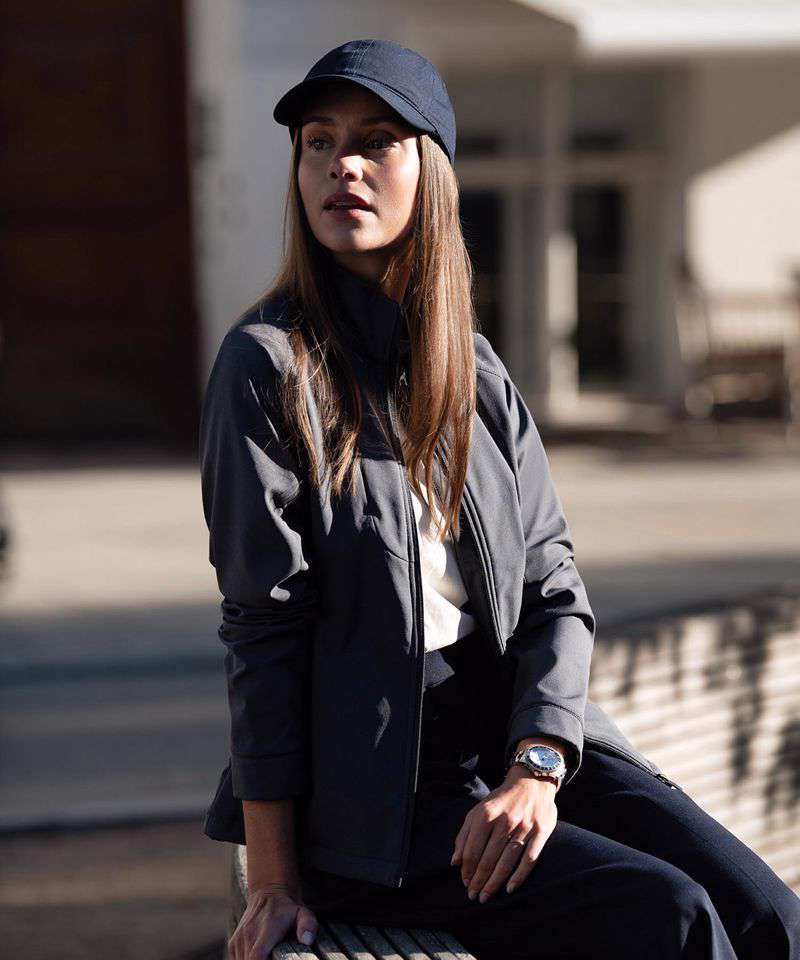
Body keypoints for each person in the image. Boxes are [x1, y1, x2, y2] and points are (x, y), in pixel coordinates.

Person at [198, 39, 800, 960]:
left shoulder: (472, 370)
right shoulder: (265, 367)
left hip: (512, 742)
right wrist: (273, 881)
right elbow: (262, 633)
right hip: (375, 804)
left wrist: (539, 762)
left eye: (376, 141)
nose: (342, 165)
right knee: (668, 915)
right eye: (319, 142)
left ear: (432, 175)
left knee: (767, 914)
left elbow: (555, 589)